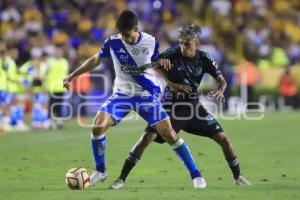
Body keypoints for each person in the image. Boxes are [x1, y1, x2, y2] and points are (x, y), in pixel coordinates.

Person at [63, 10, 206, 189]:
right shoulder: (113, 42)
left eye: (128, 34)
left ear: (136, 29)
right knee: (98, 125)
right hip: (122, 94)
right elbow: (95, 60)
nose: (126, 38)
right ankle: (100, 171)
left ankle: (196, 174)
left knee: (169, 133)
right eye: (122, 34)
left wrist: (162, 64)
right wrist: (72, 75)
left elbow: (155, 62)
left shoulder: (151, 41)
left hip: (146, 94)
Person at [109, 24, 251, 190]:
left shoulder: (205, 58)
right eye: (181, 43)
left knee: (224, 139)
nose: (183, 47)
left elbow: (222, 80)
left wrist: (220, 90)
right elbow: (154, 65)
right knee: (145, 139)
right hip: (170, 106)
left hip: (193, 108)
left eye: (187, 44)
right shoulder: (171, 54)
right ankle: (121, 179)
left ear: (196, 43)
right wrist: (171, 83)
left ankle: (238, 176)